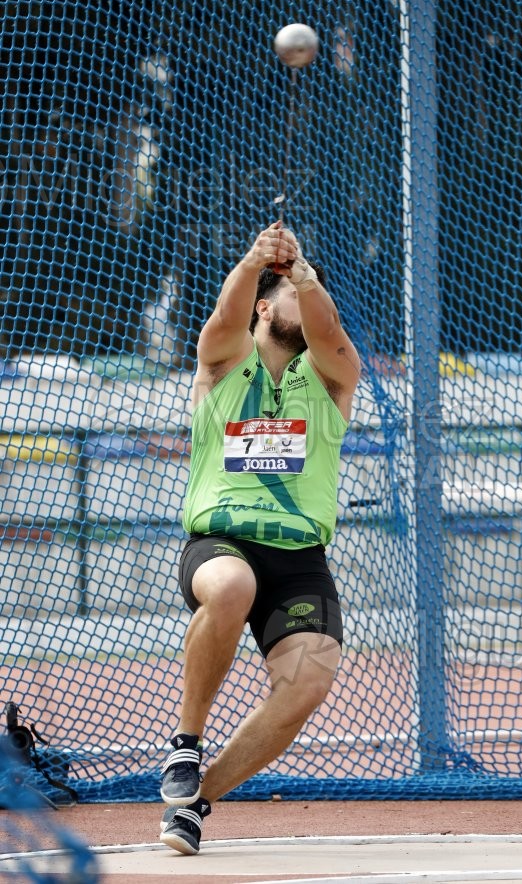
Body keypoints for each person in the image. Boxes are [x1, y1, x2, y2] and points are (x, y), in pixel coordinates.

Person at [159, 221, 360, 855]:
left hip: (298, 555)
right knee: (232, 585)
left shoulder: (330, 377)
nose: (310, 297)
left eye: (318, 289)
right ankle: (185, 744)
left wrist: (302, 271)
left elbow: (328, 331)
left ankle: (194, 799)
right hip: (222, 542)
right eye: (295, 290)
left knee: (311, 677)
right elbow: (224, 314)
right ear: (264, 307)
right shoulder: (222, 362)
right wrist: (253, 261)